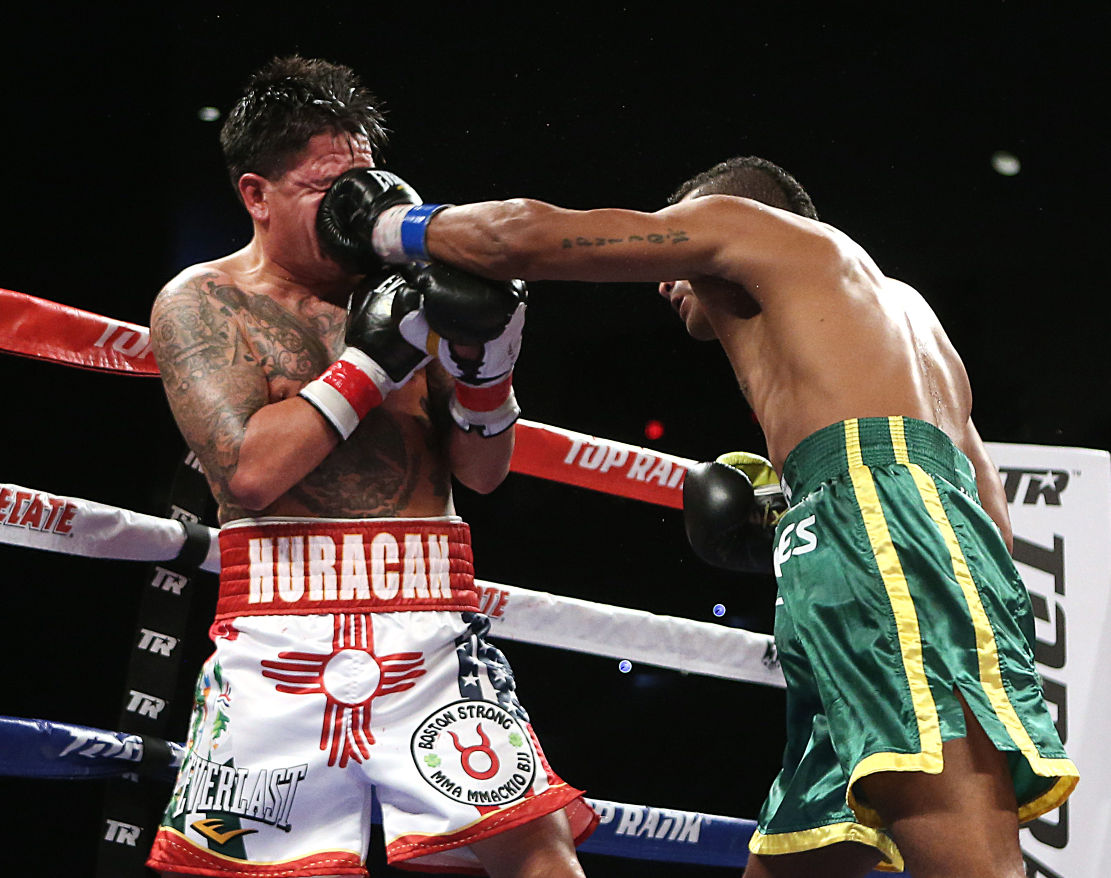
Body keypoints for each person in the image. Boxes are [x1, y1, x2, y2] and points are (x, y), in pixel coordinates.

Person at [314, 156, 1079, 878]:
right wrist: (802, 520)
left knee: (966, 852)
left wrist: (391, 225)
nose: (662, 280)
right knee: (805, 846)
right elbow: (985, 522)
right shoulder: (903, 316)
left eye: (677, 240)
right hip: (873, 538)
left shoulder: (750, 226)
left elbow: (528, 236)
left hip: (879, 535)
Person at [145, 55, 596, 878]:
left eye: (365, 182)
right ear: (256, 194)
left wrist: (487, 371)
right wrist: (375, 358)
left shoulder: (412, 288)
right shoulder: (203, 301)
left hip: (428, 617)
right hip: (279, 629)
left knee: (537, 853)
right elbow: (247, 473)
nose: (356, 210)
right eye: (327, 189)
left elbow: (484, 474)